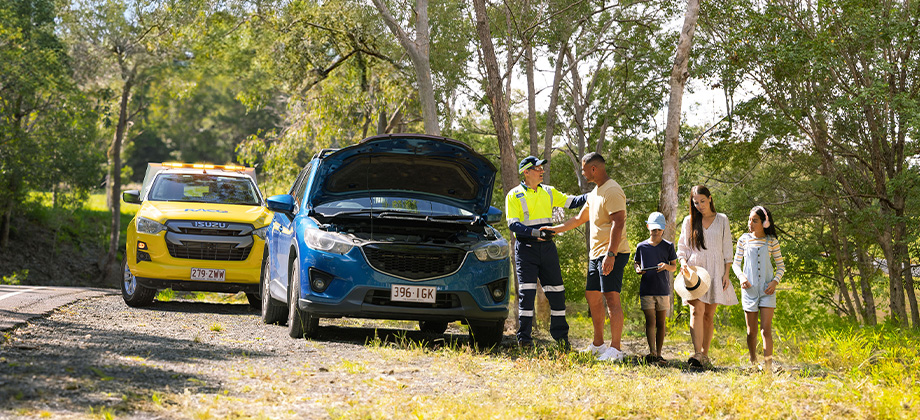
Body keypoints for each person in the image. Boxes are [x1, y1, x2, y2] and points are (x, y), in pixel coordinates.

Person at [543, 153, 630, 361]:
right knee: (592, 295)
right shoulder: (594, 192)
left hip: (612, 253)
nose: (582, 173)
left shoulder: (613, 190)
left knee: (611, 298)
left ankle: (616, 349)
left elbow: (618, 222)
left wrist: (611, 254)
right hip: (596, 254)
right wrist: (554, 229)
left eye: (584, 169)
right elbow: (579, 219)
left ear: (593, 169)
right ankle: (599, 344)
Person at [505, 156, 586, 348]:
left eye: (542, 168)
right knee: (527, 294)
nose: (541, 171)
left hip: (548, 249)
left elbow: (573, 202)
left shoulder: (549, 191)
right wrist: (536, 233)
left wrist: (596, 192)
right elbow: (513, 225)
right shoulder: (514, 195)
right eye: (537, 168)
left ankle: (561, 339)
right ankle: (524, 339)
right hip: (526, 250)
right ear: (526, 172)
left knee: (557, 293)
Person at [677, 185, 737, 367]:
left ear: (710, 198)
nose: (700, 205)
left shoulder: (722, 220)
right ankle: (696, 354)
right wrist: (683, 264)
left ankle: (705, 354)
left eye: (702, 201)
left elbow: (727, 248)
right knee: (696, 310)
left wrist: (726, 273)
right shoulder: (689, 221)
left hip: (716, 270)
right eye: (696, 202)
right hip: (695, 271)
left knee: (709, 315)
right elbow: (682, 248)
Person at [732, 206, 785, 372]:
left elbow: (781, 267)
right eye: (749, 219)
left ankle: (768, 367)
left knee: (766, 329)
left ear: (765, 222)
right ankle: (753, 361)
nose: (750, 223)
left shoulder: (772, 242)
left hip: (767, 291)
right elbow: (735, 264)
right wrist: (741, 277)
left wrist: (775, 282)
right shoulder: (743, 239)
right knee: (751, 331)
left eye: (754, 220)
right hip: (749, 290)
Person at [634, 212, 677, 364]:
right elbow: (636, 263)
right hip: (647, 289)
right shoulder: (641, 246)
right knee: (650, 320)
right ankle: (652, 351)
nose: (656, 232)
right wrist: (638, 269)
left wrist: (666, 266)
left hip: (662, 290)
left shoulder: (668, 246)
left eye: (659, 229)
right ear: (648, 227)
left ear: (663, 229)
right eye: (653, 229)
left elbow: (674, 267)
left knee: (661, 322)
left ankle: (659, 353)